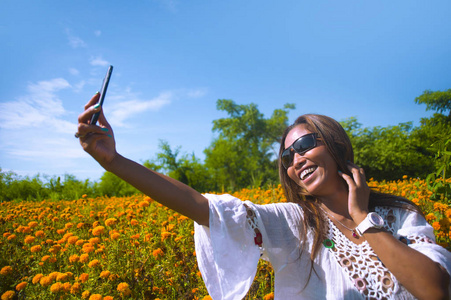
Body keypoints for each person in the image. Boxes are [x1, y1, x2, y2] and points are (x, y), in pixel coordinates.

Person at [77, 93, 451, 299]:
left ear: (335, 143)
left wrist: (364, 217)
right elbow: (204, 208)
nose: (296, 159)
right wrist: (114, 162)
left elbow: (434, 290)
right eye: (288, 156)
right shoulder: (296, 223)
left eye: (304, 144)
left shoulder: (398, 216)